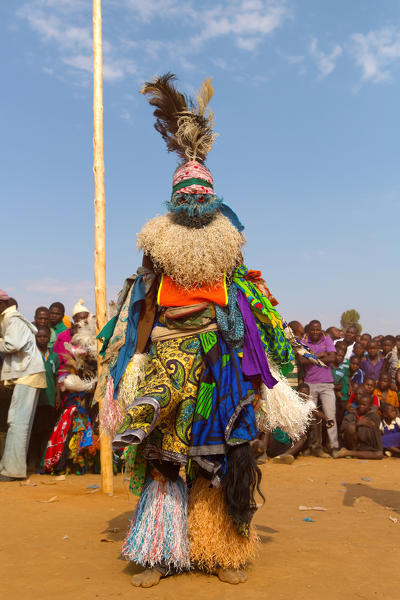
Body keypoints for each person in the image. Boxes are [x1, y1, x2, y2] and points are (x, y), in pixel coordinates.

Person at [97, 74, 315, 588]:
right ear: (175, 196)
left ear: (212, 195)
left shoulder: (228, 240)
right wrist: (133, 359)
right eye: (186, 191)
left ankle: (223, 546)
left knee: (223, 449)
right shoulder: (156, 241)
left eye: (201, 191)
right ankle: (159, 549)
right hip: (169, 351)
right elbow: (143, 306)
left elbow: (247, 299)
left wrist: (269, 362)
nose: (194, 197)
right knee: (162, 450)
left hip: (220, 356)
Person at [0, 291, 46, 481]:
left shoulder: (12, 320)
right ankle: (11, 468)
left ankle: (13, 470)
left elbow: (12, 345)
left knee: (17, 423)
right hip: (27, 373)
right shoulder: (10, 319)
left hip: (27, 373)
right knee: (18, 423)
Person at [300, 320, 338, 457]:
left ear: (321, 330)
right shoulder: (303, 341)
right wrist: (321, 355)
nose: (315, 332)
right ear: (309, 330)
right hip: (309, 384)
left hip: (327, 383)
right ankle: (313, 446)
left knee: (330, 415)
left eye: (318, 329)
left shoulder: (326, 339)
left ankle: (334, 446)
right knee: (311, 416)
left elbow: (333, 357)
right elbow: (301, 360)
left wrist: (310, 357)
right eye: (313, 330)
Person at [28, 326, 59, 471]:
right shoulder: (31, 354)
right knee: (34, 432)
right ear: (35, 338)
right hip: (34, 400)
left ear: (49, 338)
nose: (42, 339)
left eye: (45, 336)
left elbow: (56, 377)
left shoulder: (53, 356)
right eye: (39, 336)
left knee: (47, 433)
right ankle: (32, 462)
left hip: (49, 399)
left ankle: (44, 463)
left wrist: (57, 396)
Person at [334, 391, 383, 459]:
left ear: (370, 406)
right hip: (353, 443)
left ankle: (348, 452)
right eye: (359, 404)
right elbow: (343, 429)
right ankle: (352, 450)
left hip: (367, 444)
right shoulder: (352, 414)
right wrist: (358, 423)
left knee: (379, 455)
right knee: (351, 427)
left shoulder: (374, 416)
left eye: (364, 405)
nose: (361, 406)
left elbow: (376, 432)